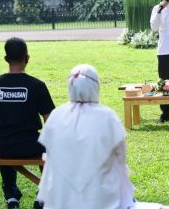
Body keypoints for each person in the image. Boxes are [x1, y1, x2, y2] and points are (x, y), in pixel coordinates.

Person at [37, 64, 135, 209]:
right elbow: (121, 156)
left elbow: (50, 153)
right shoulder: (107, 116)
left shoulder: (57, 115)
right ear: (95, 87)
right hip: (101, 196)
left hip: (61, 196)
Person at [0, 37, 55, 209]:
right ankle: (42, 196)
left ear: (6, 59)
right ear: (27, 58)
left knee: (3, 142)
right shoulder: (37, 85)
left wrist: (3, 132)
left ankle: (12, 197)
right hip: (32, 145)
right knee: (49, 146)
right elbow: (49, 120)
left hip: (3, 147)